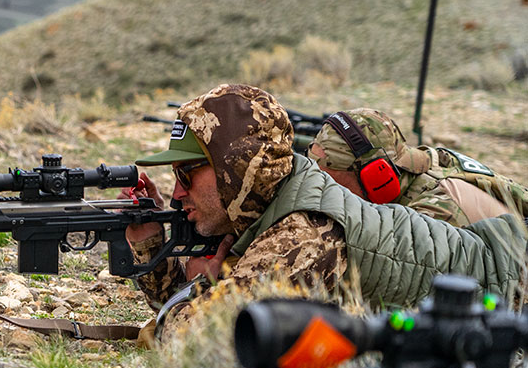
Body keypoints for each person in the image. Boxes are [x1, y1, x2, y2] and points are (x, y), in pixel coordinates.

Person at [124, 84, 526, 347]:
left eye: (187, 174)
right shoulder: (275, 207)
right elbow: (181, 315)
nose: (178, 193)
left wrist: (207, 290)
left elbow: (199, 341)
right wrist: (150, 245)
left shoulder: (305, 232)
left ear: (236, 171)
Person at [307, 108, 528, 226]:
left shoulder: (436, 214)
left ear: (377, 179)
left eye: (329, 182)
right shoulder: (421, 166)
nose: (321, 189)